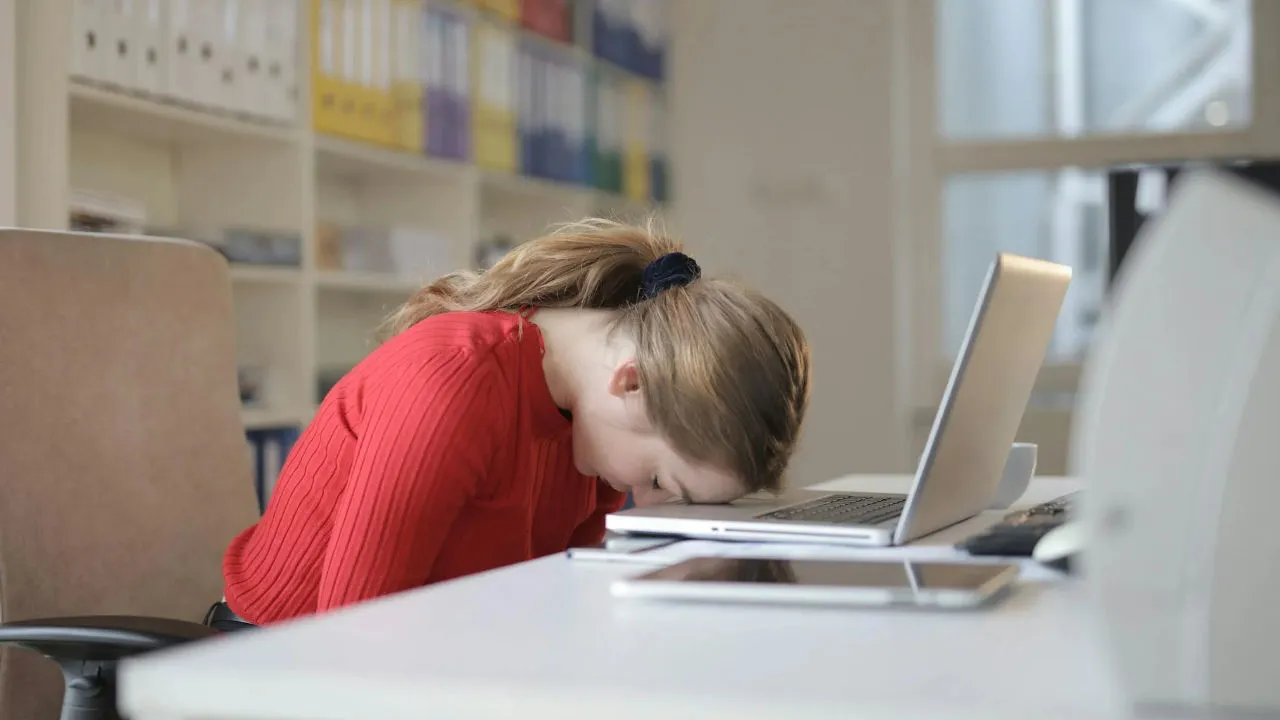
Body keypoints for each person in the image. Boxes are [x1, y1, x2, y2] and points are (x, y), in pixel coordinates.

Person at [214, 218, 811, 627]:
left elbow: (555, 609)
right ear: (632, 382)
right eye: (662, 482)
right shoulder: (452, 381)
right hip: (277, 664)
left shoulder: (593, 429)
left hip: (440, 654)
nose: (649, 508)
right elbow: (353, 644)